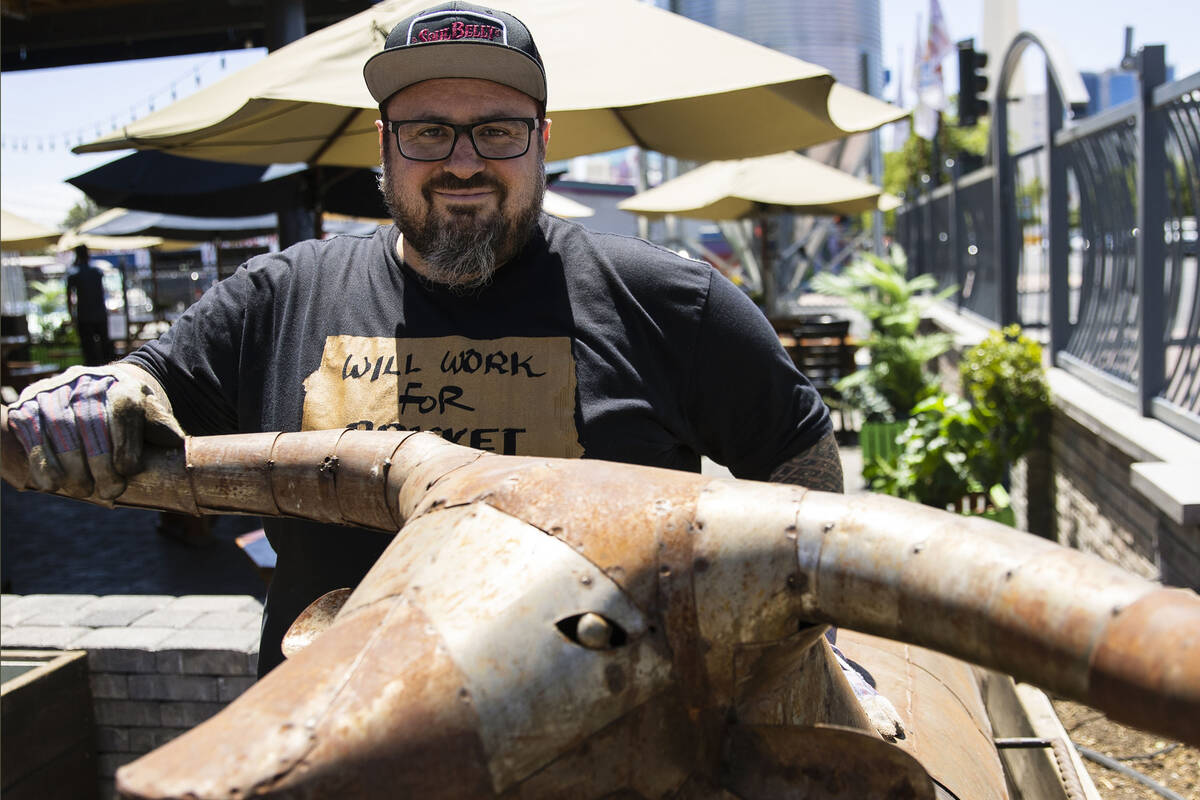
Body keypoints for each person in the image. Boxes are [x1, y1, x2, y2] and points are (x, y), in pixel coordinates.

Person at [5, 1, 843, 677]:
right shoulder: (283, 293)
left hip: (606, 750)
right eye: (429, 131)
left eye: (499, 130)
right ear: (385, 148)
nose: (465, 161)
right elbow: (149, 380)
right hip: (332, 742)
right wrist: (103, 390)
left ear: (543, 143)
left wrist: (785, 651)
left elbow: (797, 452)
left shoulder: (672, 300)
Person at [65, 244, 115, 366]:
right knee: (105, 346)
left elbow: (69, 297)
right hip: (99, 313)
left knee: (89, 348)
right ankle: (107, 365)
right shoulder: (96, 272)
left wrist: (71, 315)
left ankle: (94, 366)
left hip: (85, 315)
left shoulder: (75, 274)